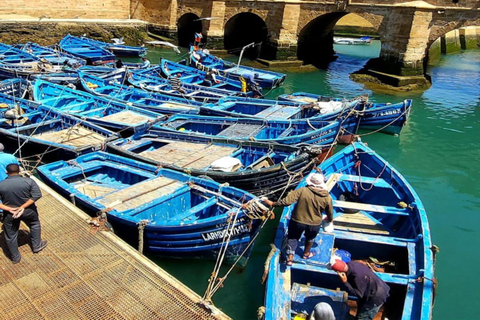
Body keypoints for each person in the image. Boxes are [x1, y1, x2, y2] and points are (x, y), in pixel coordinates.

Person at [262, 173, 333, 265]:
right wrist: (330, 219)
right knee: (310, 238)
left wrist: (272, 203)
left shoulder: (302, 190)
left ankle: (290, 259)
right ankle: (306, 254)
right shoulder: (327, 197)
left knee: (293, 238)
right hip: (314, 223)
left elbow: (286, 202)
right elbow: (330, 212)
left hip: (297, 221)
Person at [0, 163, 47, 264]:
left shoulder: (1, 185)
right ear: (19, 170)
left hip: (10, 213)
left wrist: (8, 209)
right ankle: (36, 246)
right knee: (34, 225)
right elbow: (37, 195)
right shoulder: (29, 181)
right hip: (29, 211)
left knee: (10, 235)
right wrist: (22, 207)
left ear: (6, 172)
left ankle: (15, 257)